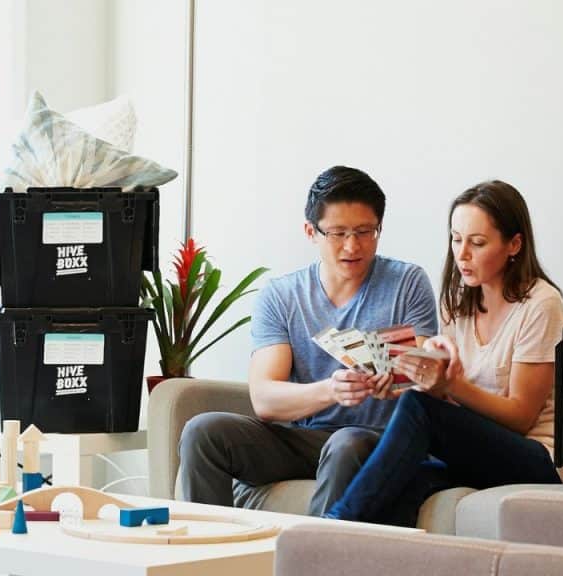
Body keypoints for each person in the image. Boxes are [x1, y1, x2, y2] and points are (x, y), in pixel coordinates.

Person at [178, 166, 442, 523]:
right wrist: (331, 390)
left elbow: (424, 376)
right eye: (338, 233)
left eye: (365, 232)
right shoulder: (282, 295)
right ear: (310, 232)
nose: (353, 246)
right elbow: (266, 399)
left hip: (377, 440)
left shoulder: (406, 282)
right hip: (306, 439)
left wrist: (395, 384)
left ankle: (309, 557)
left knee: (347, 442)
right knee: (203, 431)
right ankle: (209, 558)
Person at [326, 180, 563, 522]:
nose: (462, 254)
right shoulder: (458, 303)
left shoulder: (541, 305)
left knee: (418, 408)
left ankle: (333, 526)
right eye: (456, 239)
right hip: (483, 450)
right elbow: (453, 405)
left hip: (538, 458)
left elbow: (520, 417)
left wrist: (449, 385)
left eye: (477, 243)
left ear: (514, 244)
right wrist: (406, 378)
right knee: (398, 486)